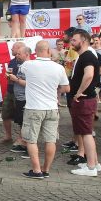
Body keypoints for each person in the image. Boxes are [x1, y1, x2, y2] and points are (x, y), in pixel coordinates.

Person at [19, 40, 70, 178]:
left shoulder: (28, 64)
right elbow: (66, 88)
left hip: (34, 107)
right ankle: (46, 169)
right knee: (50, 140)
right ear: (49, 51)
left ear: (35, 51)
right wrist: (54, 88)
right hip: (52, 107)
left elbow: (21, 73)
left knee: (31, 140)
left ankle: (36, 170)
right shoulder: (58, 68)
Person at [67, 30, 101, 176]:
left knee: (86, 133)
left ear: (84, 40)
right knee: (85, 132)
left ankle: (91, 166)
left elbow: (89, 75)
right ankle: (95, 163)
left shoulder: (87, 55)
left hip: (85, 100)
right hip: (85, 99)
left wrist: (79, 92)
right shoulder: (84, 56)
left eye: (74, 40)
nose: (72, 43)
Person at [4, 42, 30, 154]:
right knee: (19, 120)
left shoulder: (29, 65)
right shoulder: (14, 62)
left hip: (25, 97)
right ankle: (22, 142)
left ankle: (26, 145)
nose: (16, 55)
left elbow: (30, 83)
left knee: (25, 121)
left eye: (18, 53)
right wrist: (10, 78)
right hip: (15, 93)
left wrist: (16, 80)